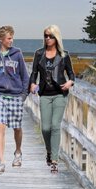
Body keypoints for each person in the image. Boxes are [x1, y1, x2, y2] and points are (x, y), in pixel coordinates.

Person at [29, 25, 75, 174]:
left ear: (56, 38)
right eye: (45, 36)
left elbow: (71, 74)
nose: (47, 39)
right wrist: (32, 84)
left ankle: (55, 159)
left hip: (59, 94)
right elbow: (34, 72)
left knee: (56, 125)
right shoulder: (39, 54)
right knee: (45, 128)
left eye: (50, 36)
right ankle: (49, 151)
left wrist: (70, 82)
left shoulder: (64, 55)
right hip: (44, 94)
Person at [0, 25, 29, 175]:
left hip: (16, 95)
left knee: (17, 128)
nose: (12, 40)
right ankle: (1, 161)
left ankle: (18, 152)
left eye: (12, 38)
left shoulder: (17, 54)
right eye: (9, 38)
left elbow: (24, 75)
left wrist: (24, 94)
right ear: (1, 39)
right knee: (0, 126)